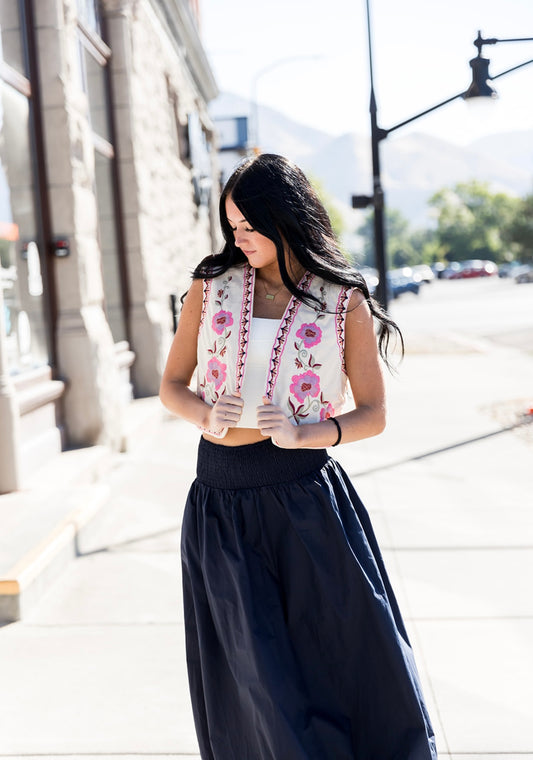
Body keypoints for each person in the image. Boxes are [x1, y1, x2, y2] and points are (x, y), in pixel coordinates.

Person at [160, 153, 437, 760]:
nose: (239, 239)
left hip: (308, 502)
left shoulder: (342, 301)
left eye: (249, 227)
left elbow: (373, 414)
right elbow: (171, 386)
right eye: (232, 228)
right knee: (259, 683)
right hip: (220, 504)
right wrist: (204, 415)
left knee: (338, 666)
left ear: (284, 219)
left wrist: (307, 434)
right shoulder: (210, 287)